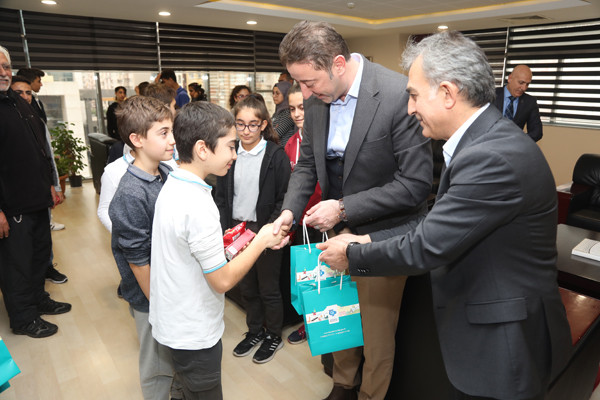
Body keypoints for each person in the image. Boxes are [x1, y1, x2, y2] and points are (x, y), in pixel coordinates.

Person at [318, 31, 572, 400]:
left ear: (448, 93)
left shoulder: (491, 157)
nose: (410, 109)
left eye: (414, 95)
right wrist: (368, 238)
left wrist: (352, 254)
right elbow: (437, 223)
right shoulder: (483, 142)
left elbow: (426, 246)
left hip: (507, 343)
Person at [273, 21, 432, 400]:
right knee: (339, 314)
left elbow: (415, 184)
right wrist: (289, 213)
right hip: (333, 232)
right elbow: (307, 165)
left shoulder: (397, 94)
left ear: (339, 64)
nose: (304, 94)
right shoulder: (316, 98)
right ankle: (343, 385)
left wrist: (343, 208)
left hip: (382, 234)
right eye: (299, 84)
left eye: (309, 82)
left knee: (377, 333)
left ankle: (370, 395)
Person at [149, 101, 289, 399]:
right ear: (202, 149)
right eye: (230, 146)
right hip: (193, 332)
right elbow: (222, 280)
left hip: (174, 324)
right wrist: (261, 240)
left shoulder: (173, 183)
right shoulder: (198, 204)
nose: (235, 155)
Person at [108, 96, 178, 400]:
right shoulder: (131, 193)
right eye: (163, 133)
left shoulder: (165, 174)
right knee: (157, 366)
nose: (172, 139)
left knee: (174, 359)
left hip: (169, 289)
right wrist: (160, 305)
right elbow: (137, 259)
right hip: (151, 297)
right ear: (137, 140)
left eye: (171, 131)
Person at [0, 46, 71, 339]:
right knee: (17, 264)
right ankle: (23, 318)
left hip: (37, 199)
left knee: (39, 256)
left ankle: (38, 299)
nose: (3, 72)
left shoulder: (17, 100)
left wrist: (51, 186)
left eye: (6, 66)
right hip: (11, 205)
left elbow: (40, 149)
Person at [215, 96, 291, 364]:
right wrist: (225, 228)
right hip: (237, 231)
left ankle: (274, 335)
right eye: (240, 124)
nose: (246, 131)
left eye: (252, 125)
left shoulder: (275, 156)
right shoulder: (230, 153)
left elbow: (284, 197)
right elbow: (222, 195)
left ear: (263, 125)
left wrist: (269, 229)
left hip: (265, 229)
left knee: (268, 288)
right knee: (247, 287)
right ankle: (255, 330)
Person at [11, 75, 68, 285]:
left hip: (41, 189)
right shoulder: (7, 121)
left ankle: (47, 268)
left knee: (43, 236)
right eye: (19, 93)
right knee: (22, 243)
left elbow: (48, 157)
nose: (25, 97)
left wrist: (55, 185)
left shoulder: (37, 120)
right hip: (16, 196)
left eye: (28, 93)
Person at [284, 83, 322, 345]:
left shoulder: (324, 139)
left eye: (302, 107)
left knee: (325, 276)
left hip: (323, 221)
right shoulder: (290, 143)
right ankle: (308, 322)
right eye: (292, 109)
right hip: (299, 221)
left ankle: (322, 323)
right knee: (304, 276)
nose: (297, 114)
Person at [493, 64, 543, 142]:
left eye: (527, 84)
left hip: (514, 147)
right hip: (488, 145)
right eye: (521, 82)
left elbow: (537, 132)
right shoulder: (490, 95)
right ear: (510, 78)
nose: (524, 88)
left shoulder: (530, 102)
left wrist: (518, 141)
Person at [271, 81, 296, 146]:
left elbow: (276, 134)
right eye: (273, 93)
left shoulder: (289, 113)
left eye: (277, 93)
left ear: (286, 94)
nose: (274, 96)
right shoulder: (276, 113)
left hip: (285, 150)